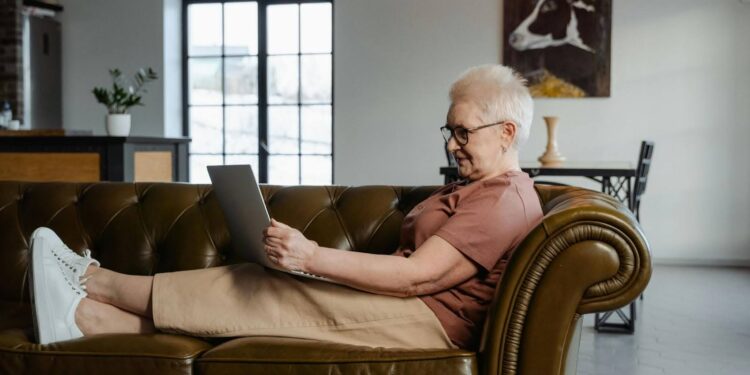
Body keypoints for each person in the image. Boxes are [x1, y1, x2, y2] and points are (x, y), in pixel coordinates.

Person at [28, 64, 543, 350]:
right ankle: (85, 320)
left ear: (506, 133)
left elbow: (418, 278)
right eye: (448, 131)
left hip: (424, 321)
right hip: (408, 308)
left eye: (462, 132)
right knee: (261, 287)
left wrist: (310, 257)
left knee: (257, 285)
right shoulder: (472, 188)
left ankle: (95, 282)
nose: (452, 143)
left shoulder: (504, 199)